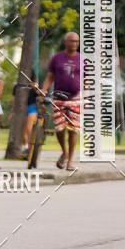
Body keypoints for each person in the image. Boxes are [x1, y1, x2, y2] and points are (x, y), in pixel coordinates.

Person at [40, 32, 82, 170]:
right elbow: (50, 76)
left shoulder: (82, 59)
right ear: (65, 42)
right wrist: (44, 89)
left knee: (73, 129)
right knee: (59, 128)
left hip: (75, 98)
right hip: (58, 98)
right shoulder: (57, 58)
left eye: (76, 41)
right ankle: (64, 151)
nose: (74, 44)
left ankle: (70, 161)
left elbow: (87, 79)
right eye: (72, 41)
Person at [12, 69, 37, 156]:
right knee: (23, 130)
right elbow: (14, 100)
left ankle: (30, 147)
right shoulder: (17, 87)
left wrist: (35, 88)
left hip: (32, 108)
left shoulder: (34, 86)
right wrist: (13, 111)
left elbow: (38, 97)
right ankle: (26, 147)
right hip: (22, 109)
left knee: (29, 128)